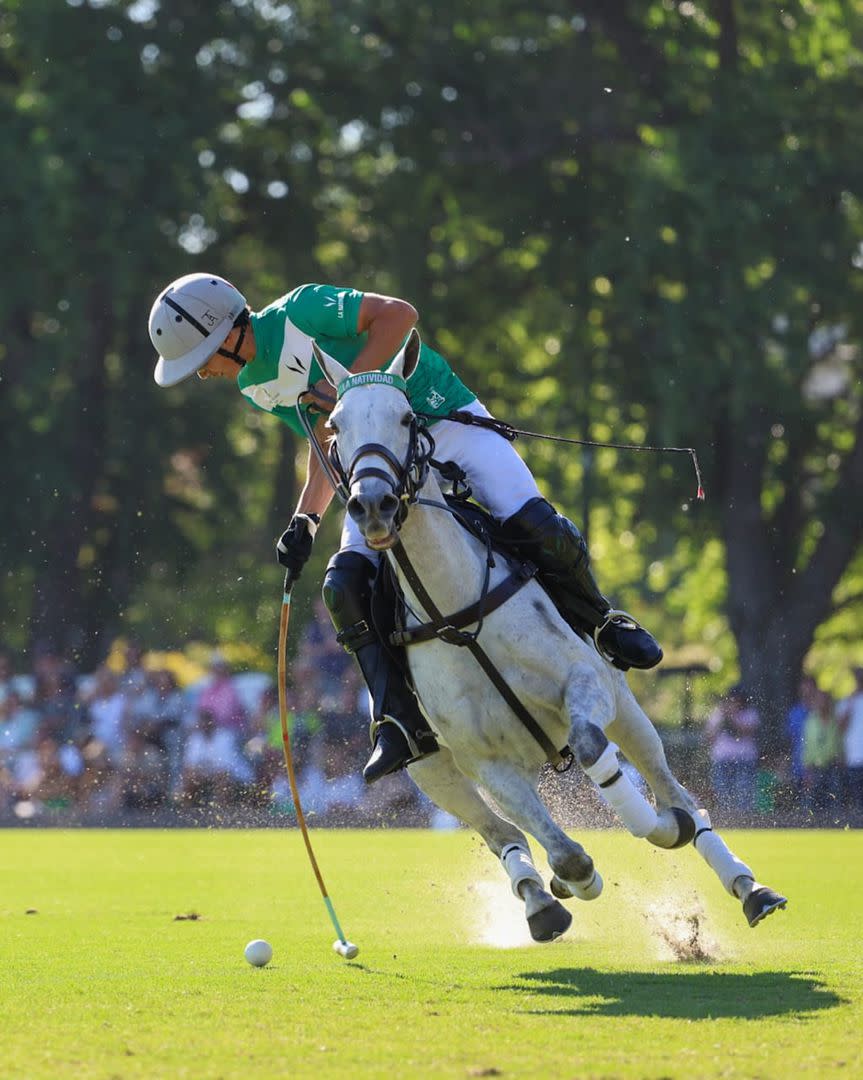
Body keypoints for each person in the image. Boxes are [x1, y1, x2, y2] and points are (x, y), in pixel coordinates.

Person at [149, 273, 663, 784]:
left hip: (442, 420)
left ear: (226, 331)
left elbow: (399, 314)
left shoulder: (302, 310)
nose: (202, 374)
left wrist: (346, 388)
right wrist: (305, 519)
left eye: (200, 359)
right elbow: (325, 442)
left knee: (534, 523)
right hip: (377, 465)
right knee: (343, 586)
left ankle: (602, 622)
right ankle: (398, 720)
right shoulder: (252, 384)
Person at [705, 686, 760, 814]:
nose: (734, 703)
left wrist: (731, 717)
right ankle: (726, 818)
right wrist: (723, 717)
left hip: (744, 759)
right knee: (722, 791)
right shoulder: (719, 713)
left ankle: (744, 819)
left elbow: (746, 731)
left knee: (744, 790)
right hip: (722, 759)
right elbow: (709, 736)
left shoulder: (750, 713)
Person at [838, 666, 863, 811]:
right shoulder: (848, 700)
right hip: (854, 756)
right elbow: (841, 727)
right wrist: (851, 701)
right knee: (858, 798)